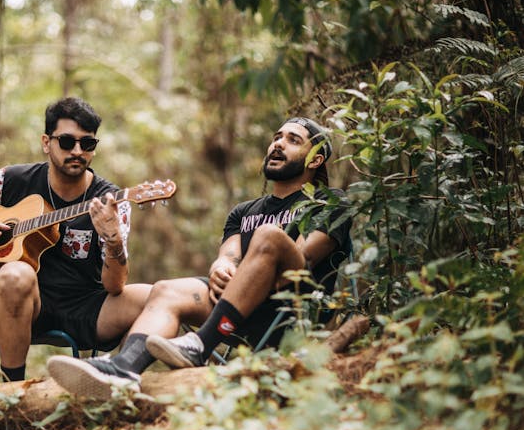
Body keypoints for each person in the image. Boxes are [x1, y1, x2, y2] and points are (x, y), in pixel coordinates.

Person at [47, 116, 352, 399]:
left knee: (269, 235)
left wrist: (256, 256)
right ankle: (122, 370)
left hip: (291, 312)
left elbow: (304, 257)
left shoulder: (328, 202)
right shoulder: (245, 211)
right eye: (277, 137)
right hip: (242, 314)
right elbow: (229, 255)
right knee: (166, 289)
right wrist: (222, 267)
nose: (278, 144)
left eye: (293, 140)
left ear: (316, 159)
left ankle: (201, 344)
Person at [0, 97, 151, 381]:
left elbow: (115, 285)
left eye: (87, 144)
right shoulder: (12, 180)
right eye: (67, 142)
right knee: (15, 273)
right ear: (46, 143)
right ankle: (14, 390)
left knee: (156, 296)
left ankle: (120, 381)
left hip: (87, 305)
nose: (77, 151)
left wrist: (112, 240)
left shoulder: (111, 200)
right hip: (23, 305)